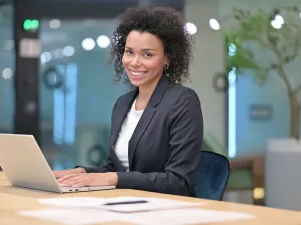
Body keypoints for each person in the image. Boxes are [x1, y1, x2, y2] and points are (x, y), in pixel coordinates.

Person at [53, 6, 203, 197]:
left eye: (147, 54)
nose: (134, 62)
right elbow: (115, 168)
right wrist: (80, 173)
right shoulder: (123, 104)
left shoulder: (182, 101)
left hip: (164, 209)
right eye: (129, 52)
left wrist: (113, 178)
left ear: (167, 58)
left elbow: (178, 181)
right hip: (125, 202)